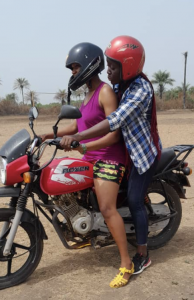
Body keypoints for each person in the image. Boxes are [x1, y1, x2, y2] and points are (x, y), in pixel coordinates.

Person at [60, 35, 162, 278]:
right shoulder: (119, 85)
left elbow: (113, 121)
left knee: (136, 201)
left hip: (141, 155)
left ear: (127, 66)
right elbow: (83, 121)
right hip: (124, 152)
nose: (108, 70)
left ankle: (141, 255)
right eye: (108, 64)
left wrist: (80, 139)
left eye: (114, 66)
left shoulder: (140, 89)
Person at [40, 42, 135, 288]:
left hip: (109, 158)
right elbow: (77, 127)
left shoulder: (105, 92)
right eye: (71, 68)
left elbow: (115, 133)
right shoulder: (87, 95)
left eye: (75, 67)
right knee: (64, 178)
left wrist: (83, 146)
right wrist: (47, 136)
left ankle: (126, 262)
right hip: (90, 156)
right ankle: (86, 231)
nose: (73, 72)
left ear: (90, 64)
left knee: (106, 208)